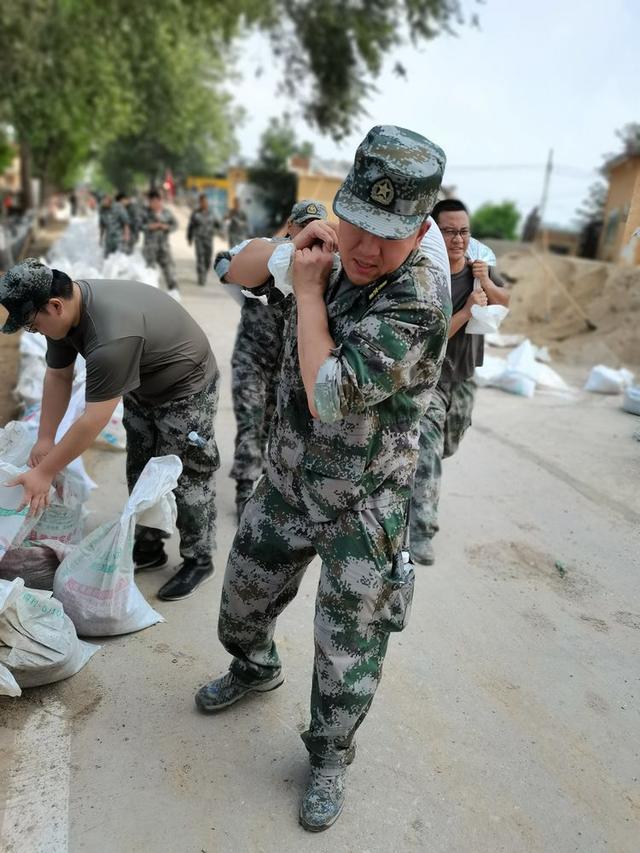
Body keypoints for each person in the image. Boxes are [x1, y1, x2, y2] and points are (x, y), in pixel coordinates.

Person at [196, 126, 451, 831]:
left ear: (422, 228)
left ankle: (331, 755)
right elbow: (233, 269)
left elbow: (331, 393)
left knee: (349, 653)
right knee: (240, 604)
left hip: (363, 506)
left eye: (389, 235)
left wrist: (308, 291)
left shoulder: (420, 297)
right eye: (357, 222)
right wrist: (293, 242)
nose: (367, 248)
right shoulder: (332, 244)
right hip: (287, 481)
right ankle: (254, 666)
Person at [0, 258, 220, 601]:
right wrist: (45, 439)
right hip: (141, 384)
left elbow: (93, 420)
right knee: (141, 467)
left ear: (54, 306)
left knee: (186, 473)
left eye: (32, 326)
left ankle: (199, 557)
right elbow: (58, 375)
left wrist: (45, 471)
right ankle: (150, 545)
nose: (35, 332)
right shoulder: (64, 315)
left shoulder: (110, 336)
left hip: (185, 387)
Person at [409, 199, 510, 565]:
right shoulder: (426, 276)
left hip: (465, 377)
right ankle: (419, 532)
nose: (458, 239)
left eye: (463, 231)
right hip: (430, 380)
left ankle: (405, 491)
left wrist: (484, 281)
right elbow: (433, 336)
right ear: (435, 231)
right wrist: (467, 309)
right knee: (429, 454)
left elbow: (505, 302)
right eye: (449, 231)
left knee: (449, 446)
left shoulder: (477, 268)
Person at [219, 199, 329, 520]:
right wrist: (276, 252)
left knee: (270, 427)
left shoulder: (322, 266)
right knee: (250, 421)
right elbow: (225, 265)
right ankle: (243, 487)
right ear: (292, 226)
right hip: (251, 358)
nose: (311, 234)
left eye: (316, 227)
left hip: (284, 367)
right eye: (304, 227)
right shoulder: (271, 252)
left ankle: (262, 486)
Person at [142, 190, 180, 298]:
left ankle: (174, 294)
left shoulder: (166, 213)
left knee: (169, 271)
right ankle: (150, 297)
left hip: (164, 248)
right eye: (150, 202)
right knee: (150, 273)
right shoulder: (145, 213)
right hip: (150, 248)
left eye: (155, 202)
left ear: (159, 201)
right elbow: (138, 225)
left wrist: (166, 227)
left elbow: (176, 225)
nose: (152, 204)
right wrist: (150, 227)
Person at [187, 193, 221, 286]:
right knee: (200, 258)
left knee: (207, 259)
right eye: (202, 202)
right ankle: (201, 276)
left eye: (205, 202)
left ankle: (205, 271)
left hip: (209, 239)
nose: (204, 203)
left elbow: (218, 224)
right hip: (199, 239)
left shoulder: (212, 213)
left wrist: (219, 231)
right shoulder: (195, 213)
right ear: (200, 203)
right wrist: (189, 238)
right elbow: (191, 226)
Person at [98, 193, 130, 257]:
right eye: (102, 200)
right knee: (107, 258)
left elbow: (126, 222)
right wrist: (101, 238)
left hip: (119, 238)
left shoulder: (118, 207)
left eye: (105, 200)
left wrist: (127, 235)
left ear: (109, 199)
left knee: (119, 257)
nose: (103, 202)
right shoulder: (102, 209)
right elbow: (102, 225)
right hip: (109, 239)